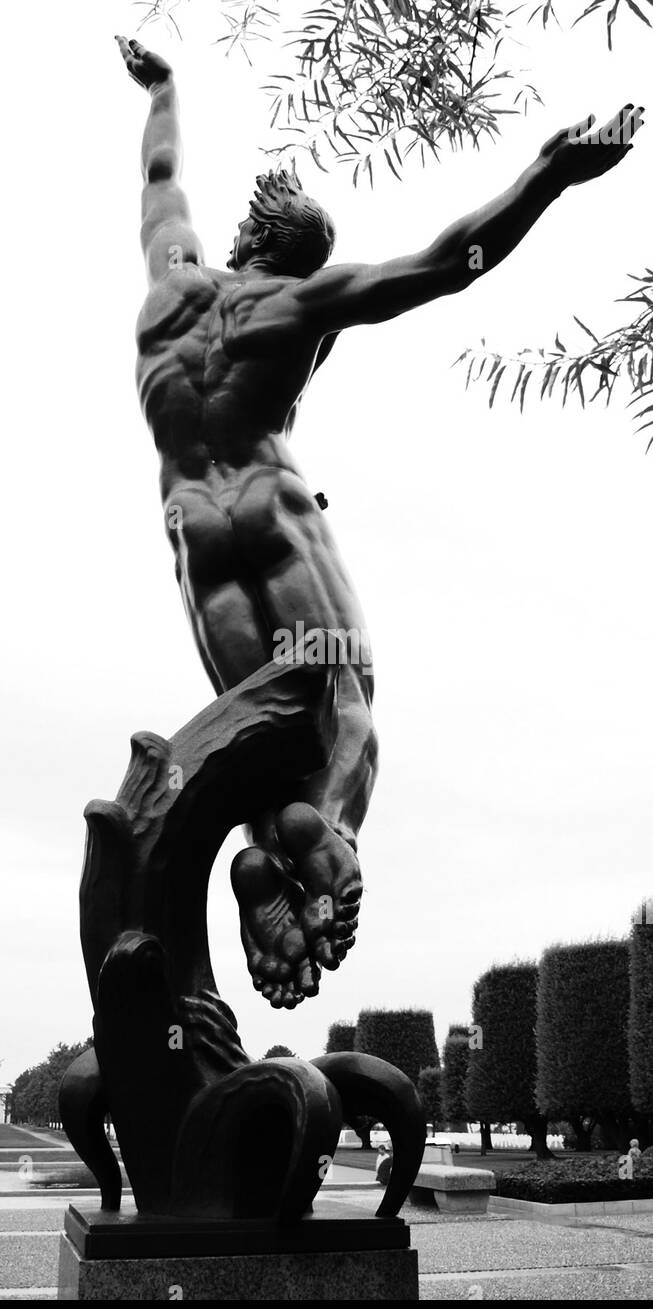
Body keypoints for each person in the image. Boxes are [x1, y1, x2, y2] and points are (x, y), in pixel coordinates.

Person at [117, 36, 641, 1009]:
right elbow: (450, 263)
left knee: (259, 721)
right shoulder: (302, 300)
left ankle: (261, 857)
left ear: (243, 237)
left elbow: (159, 175)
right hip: (273, 506)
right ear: (298, 256)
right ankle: (332, 841)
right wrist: (551, 171)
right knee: (342, 693)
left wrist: (163, 89)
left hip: (193, 528)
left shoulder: (168, 286)